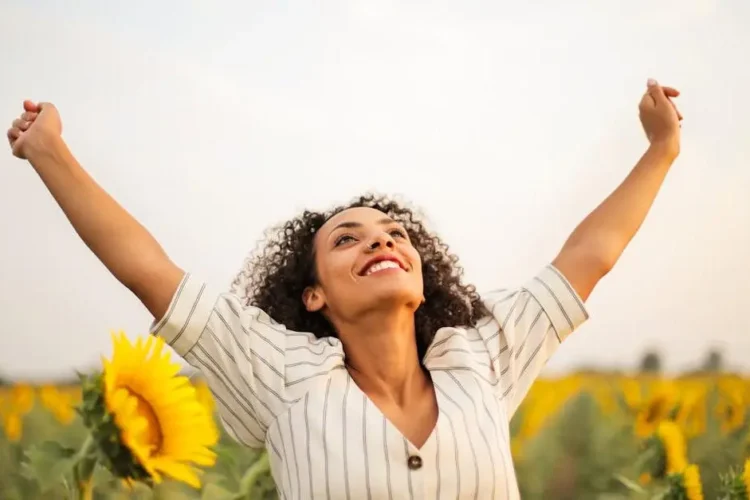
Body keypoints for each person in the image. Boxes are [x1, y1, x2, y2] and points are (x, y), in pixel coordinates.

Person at [6, 78, 682, 499]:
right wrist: (49, 150)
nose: (381, 241)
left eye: (393, 234)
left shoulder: (482, 359)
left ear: (423, 279)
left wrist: (661, 150)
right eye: (347, 239)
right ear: (313, 296)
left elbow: (590, 255)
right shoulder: (281, 375)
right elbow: (148, 271)